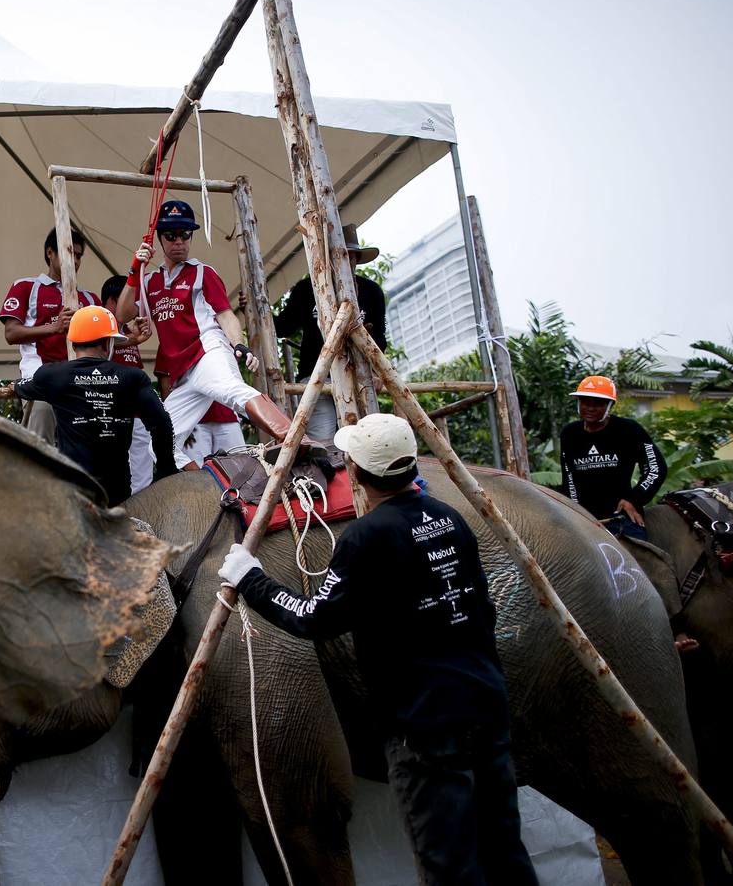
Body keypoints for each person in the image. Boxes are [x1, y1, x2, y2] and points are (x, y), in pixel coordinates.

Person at [218, 413, 538, 886]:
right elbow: (482, 611)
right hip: (486, 707)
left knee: (448, 865)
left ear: (358, 474)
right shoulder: (450, 519)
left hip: (426, 725)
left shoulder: (366, 537)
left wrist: (252, 578)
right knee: (505, 852)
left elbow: (314, 619)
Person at [115, 199, 318, 470]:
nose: (179, 241)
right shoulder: (150, 280)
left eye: (185, 234)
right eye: (171, 235)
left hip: (208, 352)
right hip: (183, 374)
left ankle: (297, 440)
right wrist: (133, 270)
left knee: (232, 390)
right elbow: (122, 315)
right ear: (160, 240)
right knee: (159, 442)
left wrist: (239, 345)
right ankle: (208, 489)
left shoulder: (203, 272)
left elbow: (225, 315)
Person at [13, 306, 176, 506]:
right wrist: (166, 471)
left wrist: (15, 386)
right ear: (108, 344)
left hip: (74, 493)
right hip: (117, 495)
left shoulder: (52, 376)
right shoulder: (133, 377)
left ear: (72, 344)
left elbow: (22, 387)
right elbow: (162, 424)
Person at [273, 223, 388, 445]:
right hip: (317, 376)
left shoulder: (371, 291)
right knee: (322, 442)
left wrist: (378, 372)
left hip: (360, 376)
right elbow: (282, 327)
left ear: (356, 259)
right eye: (339, 257)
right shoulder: (307, 290)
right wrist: (258, 309)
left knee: (365, 440)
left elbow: (380, 339)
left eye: (350, 257)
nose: (346, 263)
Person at [0, 227, 99, 443]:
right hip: (39, 379)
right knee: (41, 439)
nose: (75, 260)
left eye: (79, 255)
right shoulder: (26, 286)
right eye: (68, 252)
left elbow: (107, 342)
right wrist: (54, 328)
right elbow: (11, 332)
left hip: (78, 382)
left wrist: (132, 339)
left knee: (84, 450)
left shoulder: (90, 299)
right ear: (50, 252)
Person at [559, 375, 667, 541]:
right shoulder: (570, 434)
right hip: (583, 518)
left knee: (637, 562)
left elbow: (655, 469)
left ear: (610, 405)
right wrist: (576, 510)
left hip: (621, 518)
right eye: (585, 401)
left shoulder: (629, 430)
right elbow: (569, 478)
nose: (590, 408)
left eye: (598, 403)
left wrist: (633, 499)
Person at [101, 275, 157, 494]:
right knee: (114, 469)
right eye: (132, 301)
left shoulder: (127, 331)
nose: (135, 308)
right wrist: (135, 338)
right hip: (113, 412)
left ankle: (141, 518)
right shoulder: (101, 326)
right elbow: (108, 341)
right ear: (114, 301)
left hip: (137, 412)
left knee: (142, 472)